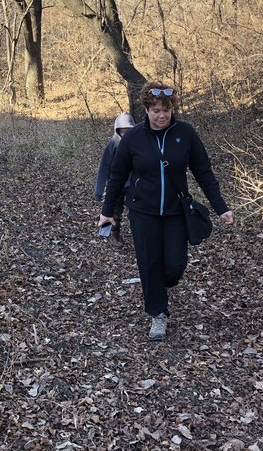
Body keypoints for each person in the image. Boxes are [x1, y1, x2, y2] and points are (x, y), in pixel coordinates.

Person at [98, 83, 234, 341]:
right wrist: (107, 212)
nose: (162, 115)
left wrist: (221, 207)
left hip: (175, 211)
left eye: (166, 110)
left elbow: (203, 171)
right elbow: (116, 176)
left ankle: (161, 284)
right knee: (149, 262)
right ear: (146, 110)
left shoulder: (186, 133)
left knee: (174, 264)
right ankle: (157, 314)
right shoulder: (134, 138)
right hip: (142, 211)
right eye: (156, 110)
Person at [95, 112, 136, 243]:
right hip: (117, 185)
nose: (125, 135)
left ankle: (139, 235)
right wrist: (99, 192)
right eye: (123, 132)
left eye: (128, 131)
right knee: (114, 211)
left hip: (134, 185)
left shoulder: (138, 145)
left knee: (135, 212)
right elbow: (104, 168)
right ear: (117, 131)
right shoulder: (113, 144)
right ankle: (114, 233)